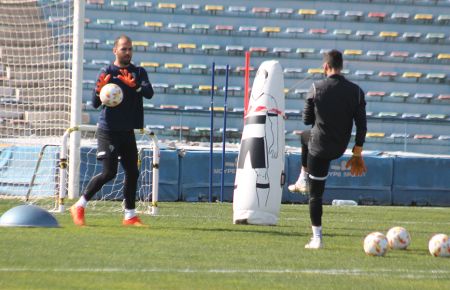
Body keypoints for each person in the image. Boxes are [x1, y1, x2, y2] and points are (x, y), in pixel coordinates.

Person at [70, 35, 154, 227]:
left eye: (130, 49)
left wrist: (136, 87)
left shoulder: (138, 72)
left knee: (133, 172)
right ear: (115, 50)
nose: (128, 52)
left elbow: (149, 93)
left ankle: (130, 217)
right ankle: (79, 206)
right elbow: (94, 103)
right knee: (109, 173)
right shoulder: (107, 71)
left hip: (126, 131)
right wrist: (98, 90)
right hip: (108, 130)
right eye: (124, 49)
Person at [288, 50, 367, 249]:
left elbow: (306, 120)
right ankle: (302, 177)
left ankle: (317, 238)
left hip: (319, 149)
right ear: (341, 66)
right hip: (340, 147)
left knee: (315, 195)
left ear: (325, 67)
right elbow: (362, 125)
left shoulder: (316, 88)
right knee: (305, 137)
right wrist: (357, 152)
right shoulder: (356, 91)